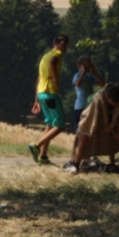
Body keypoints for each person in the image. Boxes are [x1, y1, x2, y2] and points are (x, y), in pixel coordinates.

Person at [66, 84, 119, 174]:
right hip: (94, 120)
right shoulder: (98, 98)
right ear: (106, 97)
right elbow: (92, 116)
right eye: (112, 101)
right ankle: (76, 165)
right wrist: (89, 132)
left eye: (115, 102)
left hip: (114, 122)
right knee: (83, 138)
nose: (114, 103)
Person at [29, 35, 69, 165]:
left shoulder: (44, 57)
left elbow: (39, 78)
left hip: (41, 93)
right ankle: (36, 145)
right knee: (60, 126)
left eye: (66, 45)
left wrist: (36, 100)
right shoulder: (56, 54)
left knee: (50, 125)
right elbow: (53, 61)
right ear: (56, 44)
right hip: (50, 93)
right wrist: (56, 78)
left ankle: (43, 157)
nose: (65, 47)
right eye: (63, 44)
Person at [72, 56, 105, 131]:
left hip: (90, 104)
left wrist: (95, 73)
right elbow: (77, 84)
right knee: (79, 127)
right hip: (80, 105)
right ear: (80, 66)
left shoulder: (89, 76)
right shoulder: (77, 75)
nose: (88, 69)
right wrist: (83, 73)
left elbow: (102, 84)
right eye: (86, 67)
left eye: (89, 67)